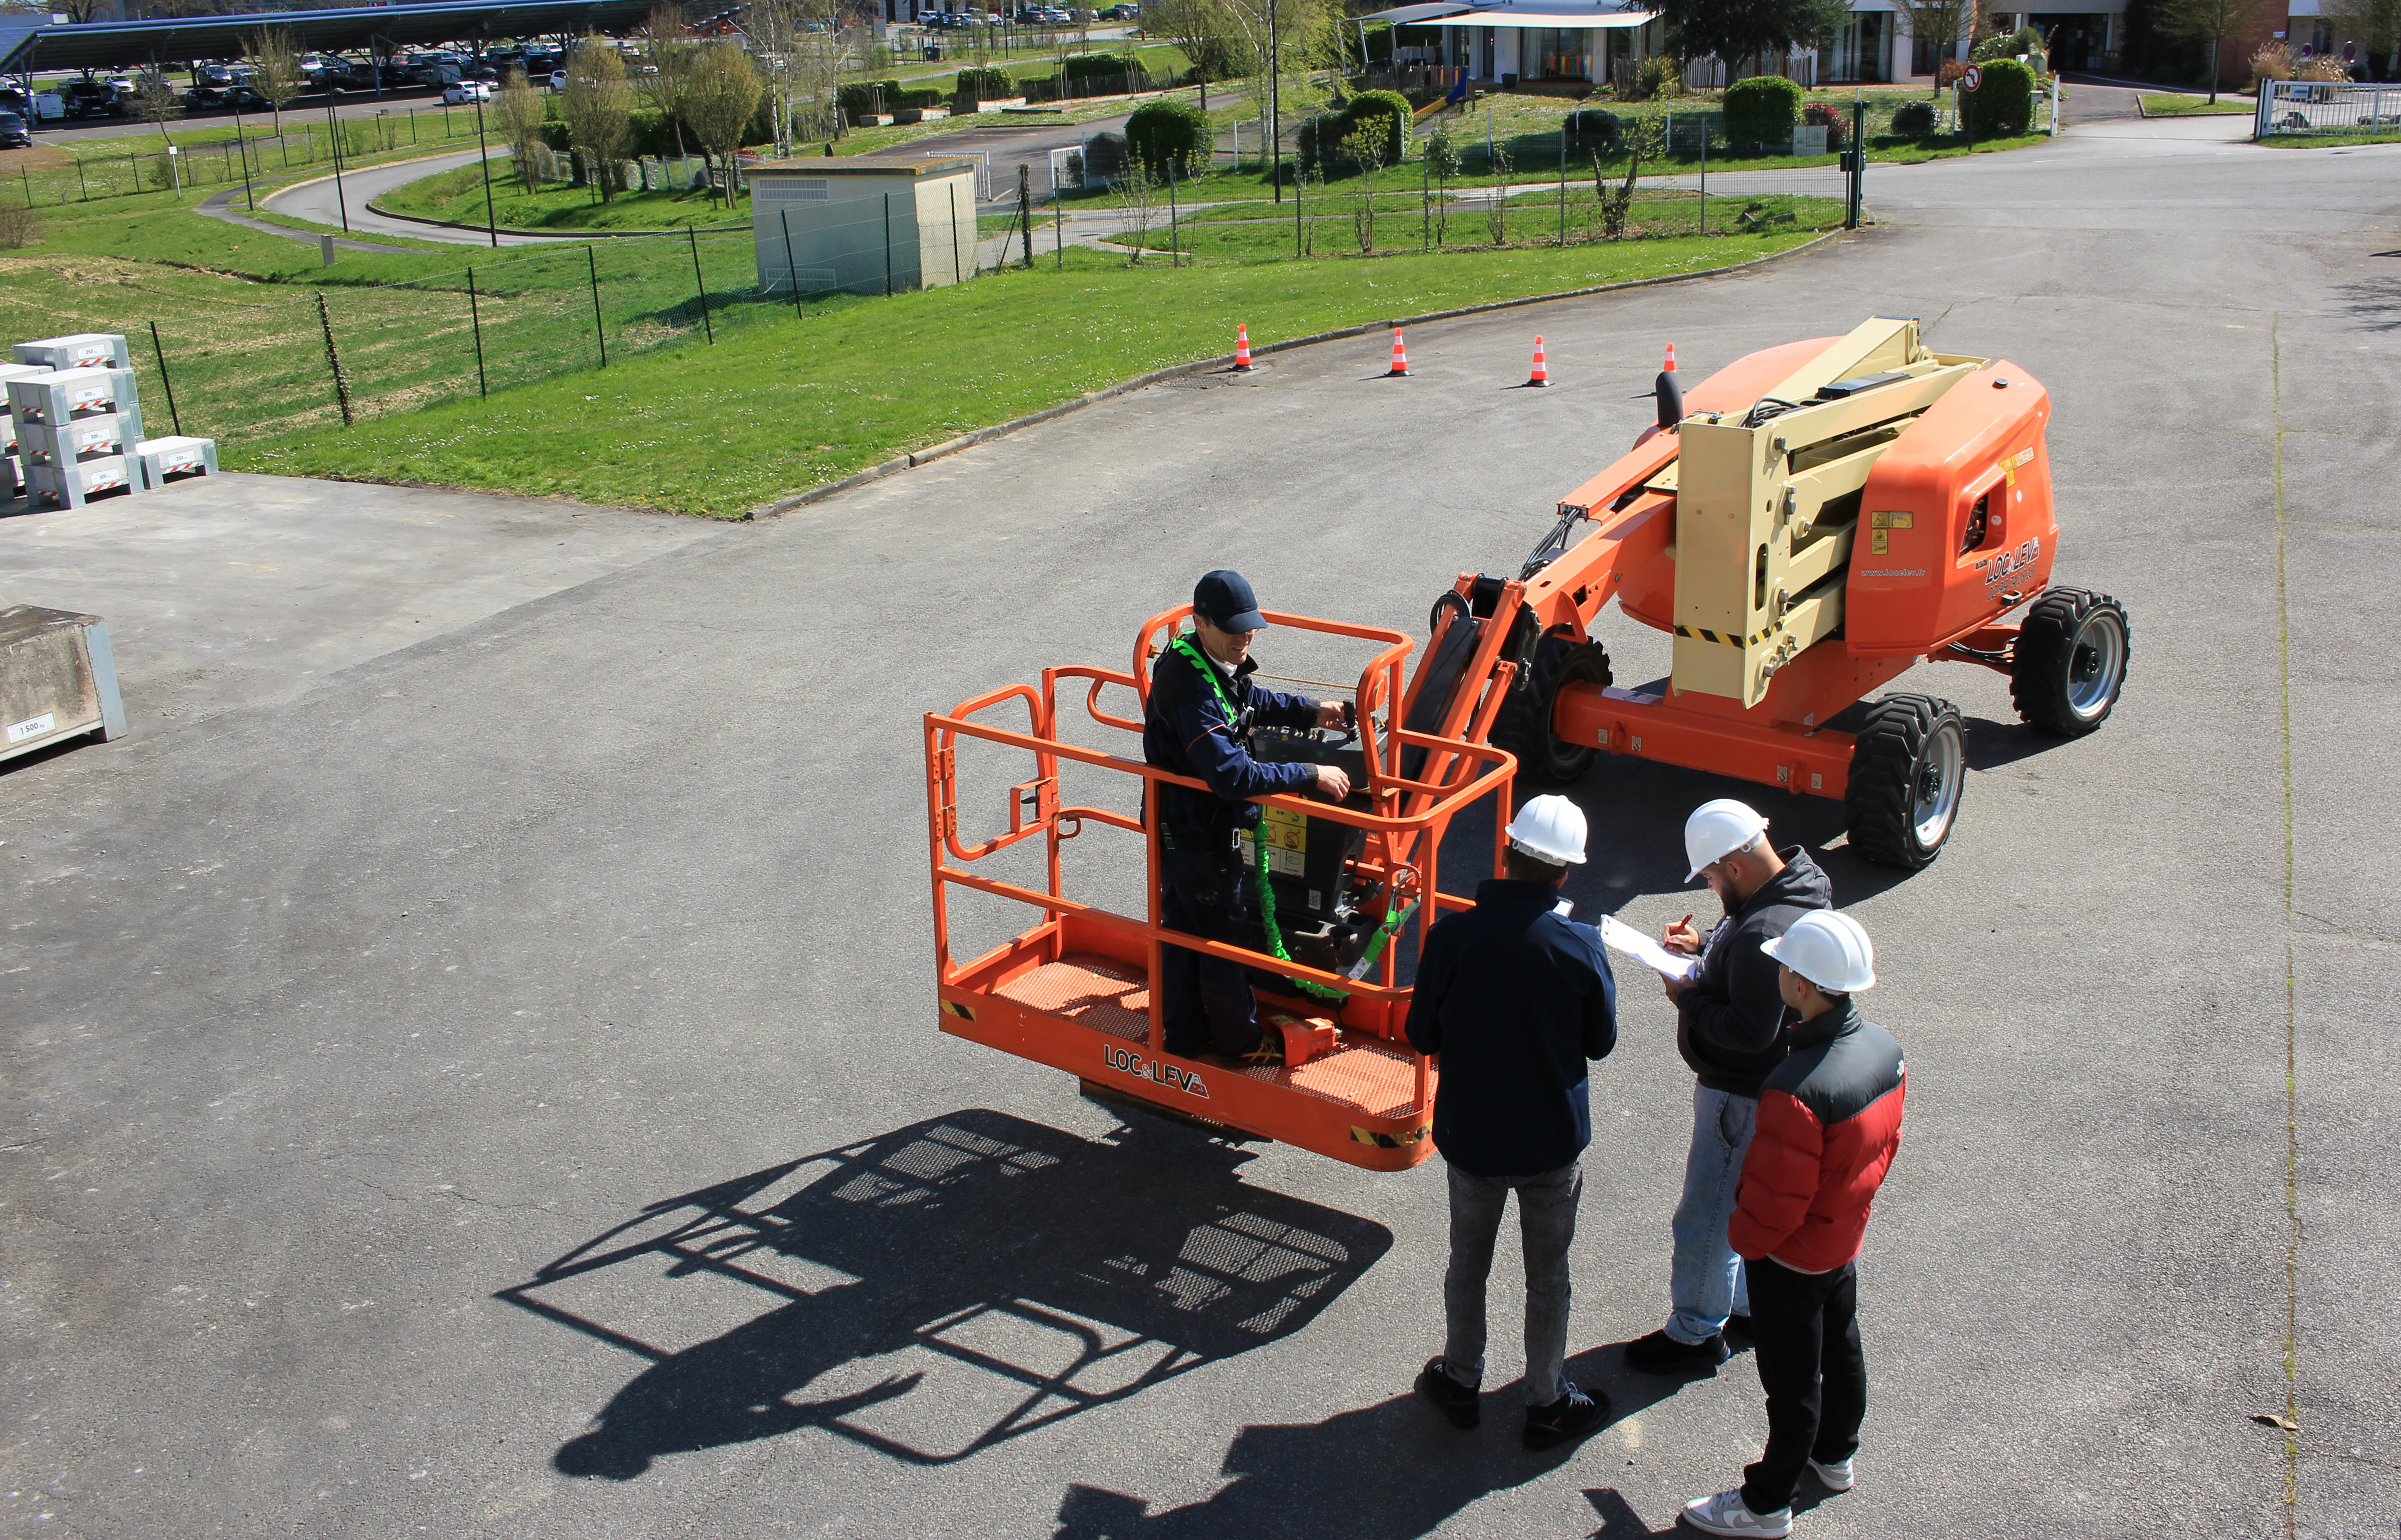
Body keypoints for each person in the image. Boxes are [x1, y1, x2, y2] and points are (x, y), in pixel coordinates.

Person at [1680, 910, 1904, 1538]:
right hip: (1842, 1240)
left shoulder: (1794, 1086)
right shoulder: (1886, 1051)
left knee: (1791, 1384)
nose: (1776, 971)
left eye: (1784, 965)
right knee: (1844, 1348)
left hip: (1791, 1261)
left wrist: (1745, 1243)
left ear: (1802, 987)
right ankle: (1836, 1458)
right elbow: (1885, 1149)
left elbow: (1776, 1199)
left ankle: (1765, 1503)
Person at [1406, 795, 1619, 1451]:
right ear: (1564, 875)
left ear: (1506, 853)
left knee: (1467, 1260)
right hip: (1550, 1141)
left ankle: (1461, 1380)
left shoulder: (1450, 938)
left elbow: (1422, 1034)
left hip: (1472, 1136)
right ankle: (1547, 1399)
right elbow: (1600, 1041)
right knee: (1547, 1273)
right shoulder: (1579, 946)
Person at [1625, 799, 1832, 1375]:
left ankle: (1694, 1333)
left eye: (1713, 878)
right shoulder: (1798, 888)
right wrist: (1706, 951)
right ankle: (1743, 1307)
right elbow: (1742, 949)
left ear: (1735, 867)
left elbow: (1748, 1029)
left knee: (1708, 1216)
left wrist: (1685, 993)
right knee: (1744, 1205)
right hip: (1770, 1092)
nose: (1713, 888)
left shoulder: (1764, 930)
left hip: (1738, 1099)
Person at [1142, 570, 1350, 1065]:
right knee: (1222, 936)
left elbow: (1248, 701)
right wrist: (1310, 772)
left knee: (1185, 931)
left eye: (1251, 627)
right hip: (1196, 833)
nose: (1246, 636)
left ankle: (1187, 1035)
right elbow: (1231, 775)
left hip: (1187, 826)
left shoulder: (1206, 658)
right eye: (1235, 628)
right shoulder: (1187, 686)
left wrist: (1311, 712)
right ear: (1200, 621)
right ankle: (1240, 1043)